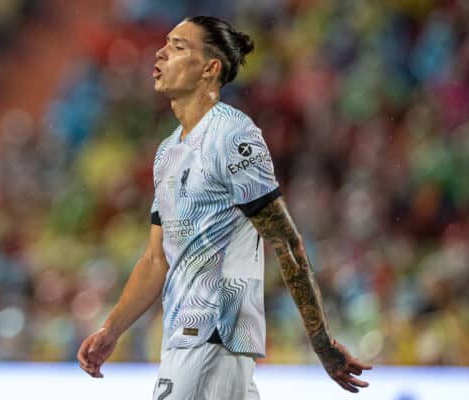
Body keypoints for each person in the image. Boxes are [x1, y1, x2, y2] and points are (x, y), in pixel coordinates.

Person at [77, 16, 372, 399]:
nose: (161, 51)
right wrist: (110, 330)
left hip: (216, 334)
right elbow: (155, 260)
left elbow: (286, 243)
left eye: (179, 46)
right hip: (184, 340)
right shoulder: (168, 152)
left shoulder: (234, 136)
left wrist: (322, 343)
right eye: (165, 42)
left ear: (210, 68)